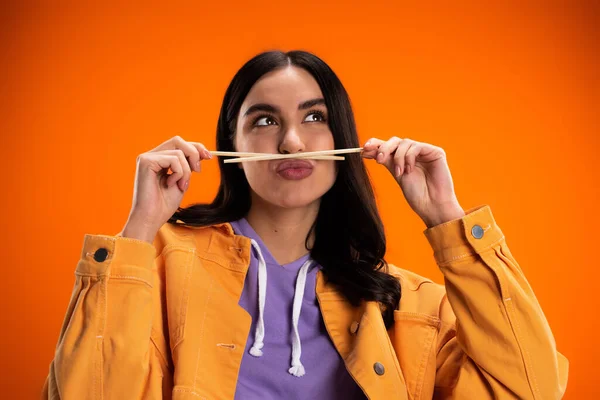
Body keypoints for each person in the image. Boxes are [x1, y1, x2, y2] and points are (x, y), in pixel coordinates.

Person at [42, 50, 568, 400]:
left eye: (315, 118)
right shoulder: (155, 266)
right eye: (265, 121)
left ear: (343, 141)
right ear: (233, 144)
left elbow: (532, 388)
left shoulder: (409, 303)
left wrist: (448, 222)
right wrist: (138, 228)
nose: (292, 142)